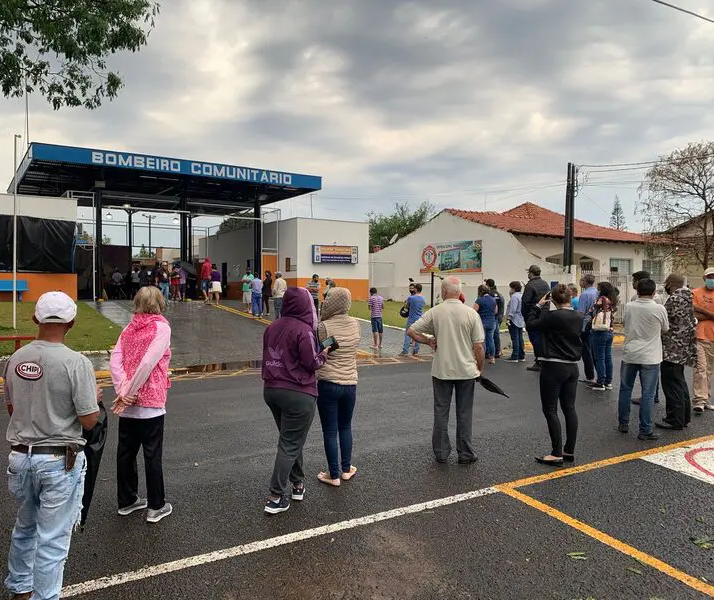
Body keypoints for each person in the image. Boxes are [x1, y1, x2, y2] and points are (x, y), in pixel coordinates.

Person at [3, 291, 100, 600]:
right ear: (71, 321)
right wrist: (94, 401)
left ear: (35, 319)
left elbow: (12, 408)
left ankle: (20, 588)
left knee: (26, 527)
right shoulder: (76, 363)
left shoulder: (15, 359)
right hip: (58, 461)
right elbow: (89, 421)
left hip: (21, 459)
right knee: (53, 540)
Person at [261, 287, 329, 514]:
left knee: (290, 438)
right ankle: (275, 496)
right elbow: (312, 363)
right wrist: (325, 353)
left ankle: (297, 483)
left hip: (272, 390)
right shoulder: (305, 331)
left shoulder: (272, 327)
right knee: (290, 442)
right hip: (299, 392)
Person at [110, 286, 173, 524]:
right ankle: (155, 506)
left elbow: (115, 359)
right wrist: (130, 391)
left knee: (125, 453)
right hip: (150, 402)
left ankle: (127, 501)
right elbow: (148, 363)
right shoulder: (162, 327)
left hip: (128, 405)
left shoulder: (129, 327)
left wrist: (122, 390)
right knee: (152, 455)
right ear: (159, 302)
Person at [407, 276, 485, 464]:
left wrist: (428, 341)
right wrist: (479, 368)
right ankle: (465, 453)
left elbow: (411, 330)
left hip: (442, 370)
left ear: (443, 291)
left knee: (441, 411)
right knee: (464, 412)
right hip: (466, 370)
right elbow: (479, 346)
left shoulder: (435, 312)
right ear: (460, 292)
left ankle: (441, 452)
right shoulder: (471, 314)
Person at [526, 284, 583, 466]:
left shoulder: (552, 316)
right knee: (569, 408)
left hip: (553, 366)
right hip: (572, 366)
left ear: (554, 299)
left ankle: (556, 452)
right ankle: (569, 450)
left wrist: (537, 306)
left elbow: (530, 324)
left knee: (550, 409)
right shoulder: (578, 316)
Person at [315, 288, 361, 486]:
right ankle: (346, 469)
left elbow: (320, 350)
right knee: (345, 426)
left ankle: (333, 475)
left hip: (327, 383)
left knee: (330, 431)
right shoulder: (356, 324)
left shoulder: (323, 326)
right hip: (350, 382)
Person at [617, 278, 669, 440]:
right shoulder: (659, 308)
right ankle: (645, 429)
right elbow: (665, 328)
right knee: (648, 393)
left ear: (637, 291)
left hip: (630, 353)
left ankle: (623, 423)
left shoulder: (629, 306)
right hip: (651, 356)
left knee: (626, 389)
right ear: (654, 292)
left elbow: (625, 324)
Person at [657, 273, 696, 430]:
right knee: (680, 383)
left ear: (671, 284)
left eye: (667, 283)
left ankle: (675, 419)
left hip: (672, 349)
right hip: (683, 348)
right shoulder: (688, 298)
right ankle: (684, 417)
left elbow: (664, 321)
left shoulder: (674, 299)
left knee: (672, 385)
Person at [588, 282, 618, 391]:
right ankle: (608, 382)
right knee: (607, 357)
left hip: (599, 331)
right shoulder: (613, 300)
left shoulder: (602, 299)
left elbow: (591, 311)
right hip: (609, 330)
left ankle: (600, 382)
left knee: (599, 357)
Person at [692, 267, 714, 414]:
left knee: (709, 370)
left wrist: (701, 310)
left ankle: (706, 399)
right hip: (699, 335)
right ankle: (699, 400)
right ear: (704, 278)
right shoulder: (695, 293)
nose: (712, 279)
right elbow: (692, 314)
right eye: (709, 276)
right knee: (700, 369)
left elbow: (697, 311)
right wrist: (710, 314)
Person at [521, 265, 550, 371]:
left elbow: (525, 302)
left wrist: (526, 318)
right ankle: (543, 359)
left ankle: (539, 361)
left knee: (535, 338)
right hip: (545, 315)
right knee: (542, 338)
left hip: (534, 315)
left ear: (531, 273)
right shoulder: (545, 284)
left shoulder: (530, 285)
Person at [577, 274, 598, 385]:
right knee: (595, 351)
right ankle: (600, 376)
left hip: (585, 325)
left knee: (586, 351)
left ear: (585, 282)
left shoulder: (584, 294)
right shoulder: (597, 292)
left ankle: (590, 376)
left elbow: (581, 312)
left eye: (582, 280)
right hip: (595, 324)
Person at [474, 284, 498, 364]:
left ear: (480, 291)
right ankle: (492, 358)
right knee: (491, 339)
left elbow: (474, 311)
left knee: (482, 341)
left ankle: (482, 358)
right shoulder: (493, 299)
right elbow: (495, 311)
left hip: (482, 322)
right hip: (492, 322)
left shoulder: (479, 300)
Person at [400, 283, 426, 356]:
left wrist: (405, 303)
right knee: (418, 334)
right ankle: (416, 351)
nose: (413, 289)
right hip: (419, 318)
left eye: (414, 288)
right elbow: (423, 306)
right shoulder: (423, 299)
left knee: (408, 334)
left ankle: (405, 351)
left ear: (416, 289)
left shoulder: (411, 298)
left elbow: (406, 306)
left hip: (411, 318)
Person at [505, 281, 526, 362]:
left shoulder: (514, 297)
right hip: (520, 319)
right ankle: (521, 355)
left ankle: (515, 356)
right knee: (520, 338)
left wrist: (509, 318)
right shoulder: (522, 296)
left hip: (514, 319)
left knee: (515, 338)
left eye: (511, 288)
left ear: (513, 288)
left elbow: (513, 309)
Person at [485, 279, 505, 358]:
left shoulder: (489, 294)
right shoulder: (499, 294)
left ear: (488, 285)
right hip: (498, 316)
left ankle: (489, 353)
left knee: (489, 336)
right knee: (496, 335)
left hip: (491, 317)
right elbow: (502, 305)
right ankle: (497, 351)